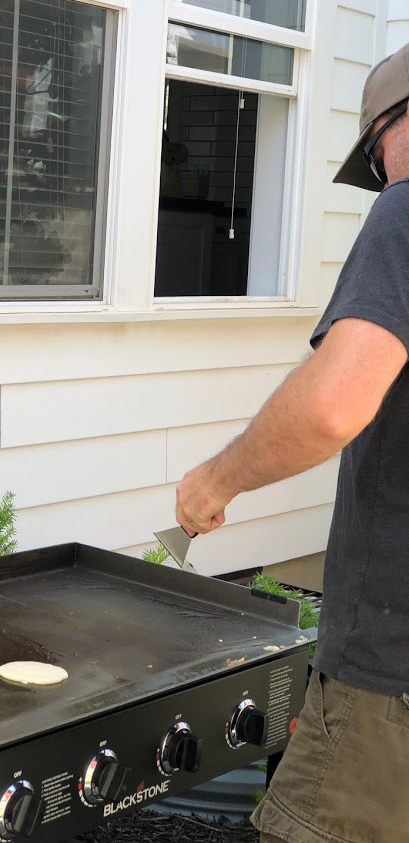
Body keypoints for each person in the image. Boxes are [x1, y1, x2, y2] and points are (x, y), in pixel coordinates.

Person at [175, 41, 409, 843]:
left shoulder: (407, 210)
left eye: (376, 156)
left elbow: (331, 407)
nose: (380, 176)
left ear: (395, 125)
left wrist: (217, 479)